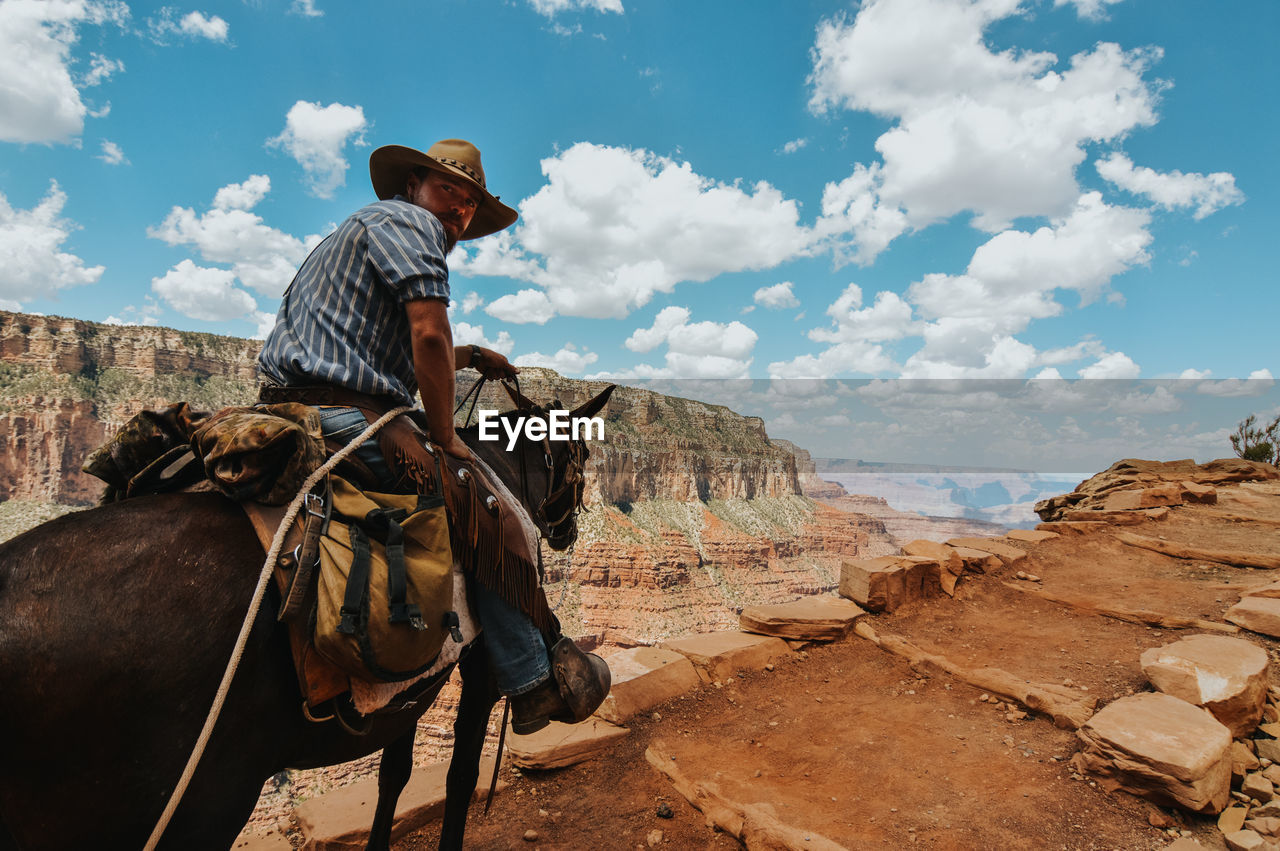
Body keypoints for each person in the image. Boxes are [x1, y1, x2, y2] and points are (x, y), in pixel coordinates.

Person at [257, 139, 607, 734]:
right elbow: (427, 336)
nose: (459, 211)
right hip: (347, 416)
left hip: (296, 403)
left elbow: (385, 346)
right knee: (487, 506)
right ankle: (531, 680)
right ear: (414, 183)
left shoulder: (367, 227)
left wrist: (470, 357)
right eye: (450, 190)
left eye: (471, 203)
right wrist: (446, 437)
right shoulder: (409, 222)